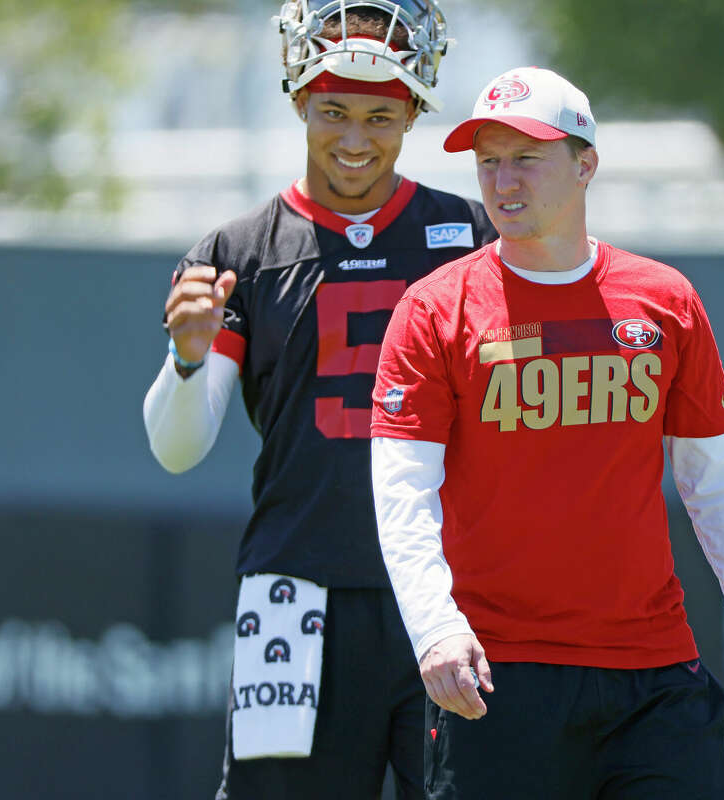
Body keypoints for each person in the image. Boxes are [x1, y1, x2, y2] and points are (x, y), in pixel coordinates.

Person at [369, 66, 724, 799]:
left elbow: (719, 481)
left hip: (654, 678)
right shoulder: (432, 311)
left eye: (526, 158)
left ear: (585, 165)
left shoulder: (666, 301)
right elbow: (402, 491)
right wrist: (436, 630)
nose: (503, 181)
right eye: (488, 162)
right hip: (495, 677)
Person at [141, 2, 495, 798]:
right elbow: (176, 448)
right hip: (292, 588)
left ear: (413, 112)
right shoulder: (239, 251)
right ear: (299, 101)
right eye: (334, 111)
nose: (356, 138)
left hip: (446, 594)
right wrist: (188, 358)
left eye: (381, 115)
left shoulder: (471, 237)